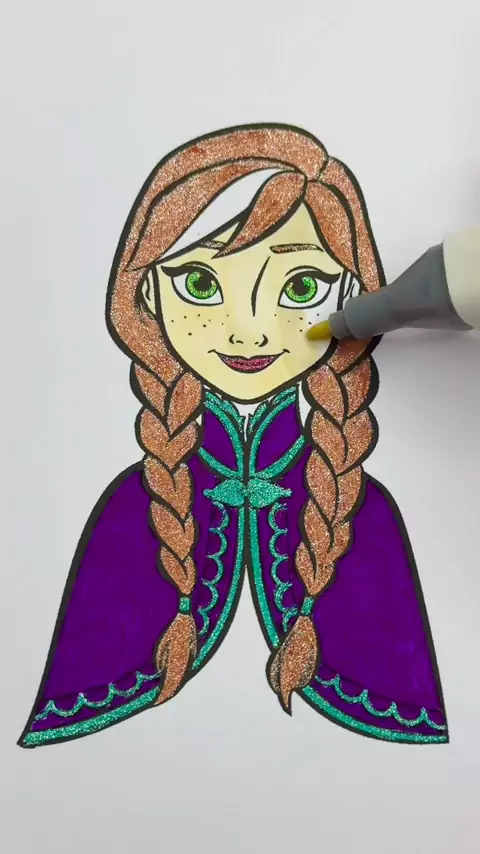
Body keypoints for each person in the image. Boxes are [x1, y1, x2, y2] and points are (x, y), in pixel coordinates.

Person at [20, 124, 447, 748]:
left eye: (300, 287)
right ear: (145, 294)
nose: (248, 333)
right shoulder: (129, 510)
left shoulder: (367, 513)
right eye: (201, 284)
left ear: (353, 293)